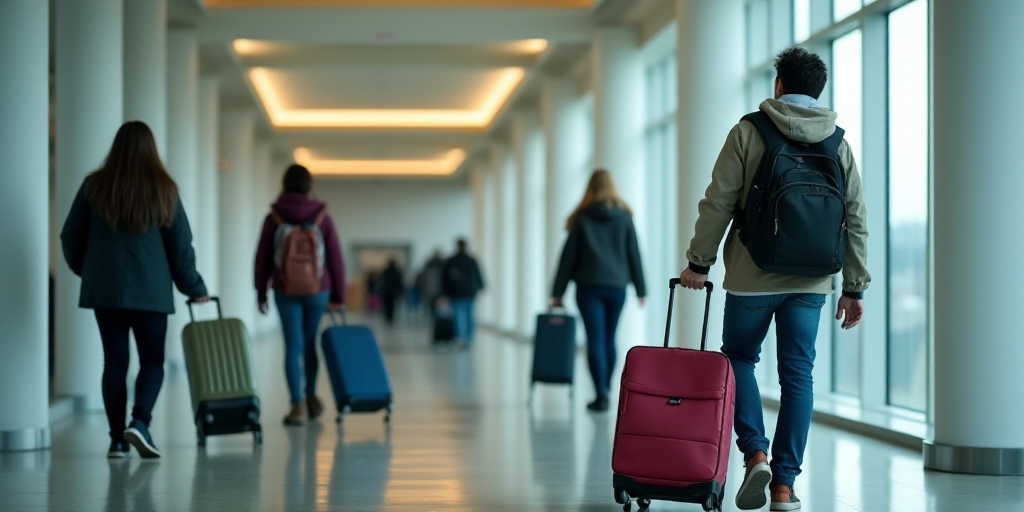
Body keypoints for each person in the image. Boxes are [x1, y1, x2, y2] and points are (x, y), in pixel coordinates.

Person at [678, 48, 870, 511]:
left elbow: (718, 203)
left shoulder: (748, 131)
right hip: (812, 282)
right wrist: (854, 286)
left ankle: (756, 453)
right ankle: (784, 487)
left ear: (778, 85)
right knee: (798, 376)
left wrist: (698, 262)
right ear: (818, 90)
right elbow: (856, 218)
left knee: (739, 358)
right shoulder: (837, 142)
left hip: (751, 275)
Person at [60, 120, 209, 459]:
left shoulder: (94, 186)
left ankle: (116, 440)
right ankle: (140, 423)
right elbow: (180, 246)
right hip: (152, 293)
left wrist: (90, 271)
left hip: (106, 291)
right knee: (152, 360)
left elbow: (70, 237)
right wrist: (194, 287)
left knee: (114, 363)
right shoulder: (164, 189)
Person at [255, 164, 346, 426]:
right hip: (318, 289)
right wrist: (338, 295)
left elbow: (262, 258)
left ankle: (296, 405)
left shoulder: (274, 217)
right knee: (309, 344)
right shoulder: (322, 217)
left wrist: (260, 291)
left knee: (292, 345)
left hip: (285, 288)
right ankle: (311, 396)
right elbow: (336, 259)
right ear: (309, 186)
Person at [550, 169, 647, 412]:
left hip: (588, 287)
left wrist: (557, 291)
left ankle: (600, 392)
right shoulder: (625, 217)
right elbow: (634, 254)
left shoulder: (582, 218)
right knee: (609, 337)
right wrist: (641, 288)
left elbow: (568, 257)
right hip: (617, 287)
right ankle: (607, 387)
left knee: (595, 339)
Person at [441, 239, 485, 346]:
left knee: (457, 316)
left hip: (455, 293)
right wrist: (481, 286)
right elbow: (478, 274)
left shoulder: (451, 260)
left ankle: (460, 337)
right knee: (469, 315)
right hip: (469, 292)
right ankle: (468, 338)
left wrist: (444, 292)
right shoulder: (471, 260)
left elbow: (445, 279)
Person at [421, 250, 446, 315]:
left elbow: (424, 277)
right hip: (439, 288)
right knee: (439, 305)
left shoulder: (429, 264)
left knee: (431, 304)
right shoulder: (443, 264)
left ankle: (433, 315)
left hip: (430, 288)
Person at [380, 258, 404, 325]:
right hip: (393, 291)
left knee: (387, 305)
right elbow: (399, 282)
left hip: (387, 291)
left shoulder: (386, 271)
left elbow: (382, 281)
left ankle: (388, 317)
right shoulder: (397, 272)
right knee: (392, 305)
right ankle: (390, 317)